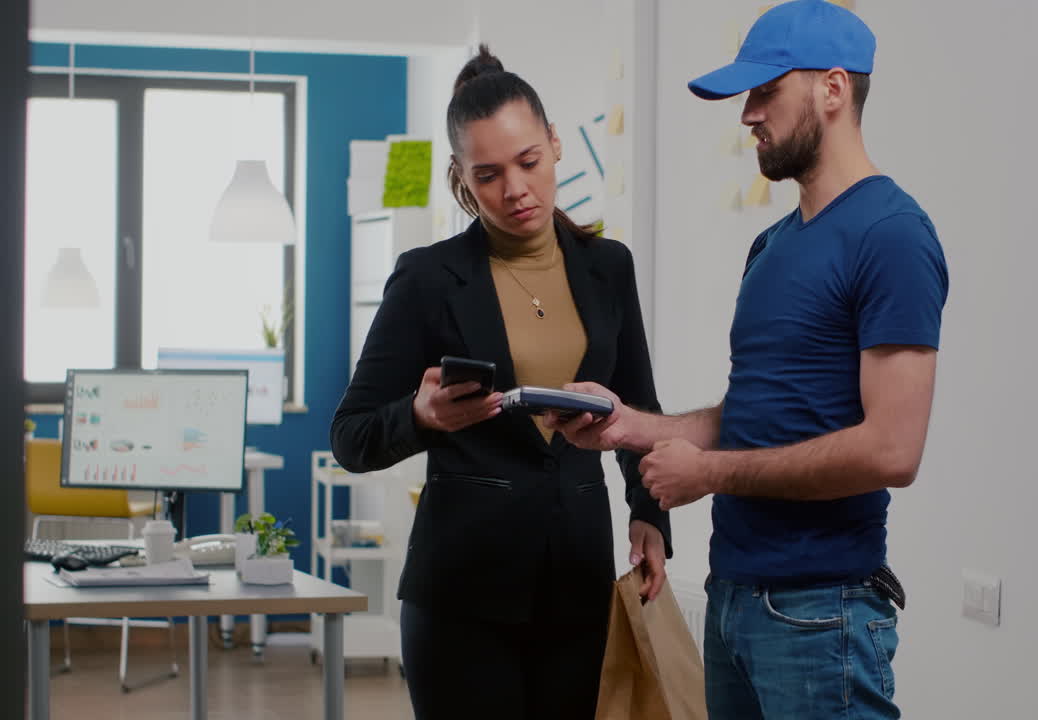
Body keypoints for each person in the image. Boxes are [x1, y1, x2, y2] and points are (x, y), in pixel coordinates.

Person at [549, 2, 948, 718]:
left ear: (833, 88)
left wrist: (710, 475)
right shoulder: (772, 246)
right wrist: (630, 426)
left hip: (822, 614)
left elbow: (893, 450)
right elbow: (755, 415)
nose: (748, 114)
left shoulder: (891, 235)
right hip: (734, 601)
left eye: (766, 91)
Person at [329, 45, 671, 720]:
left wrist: (649, 514)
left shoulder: (609, 267)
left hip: (577, 585)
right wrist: (421, 416)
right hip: (460, 598)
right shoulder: (427, 278)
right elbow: (351, 437)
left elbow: (639, 409)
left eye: (528, 162)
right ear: (461, 178)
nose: (515, 189)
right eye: (488, 175)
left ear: (555, 145)